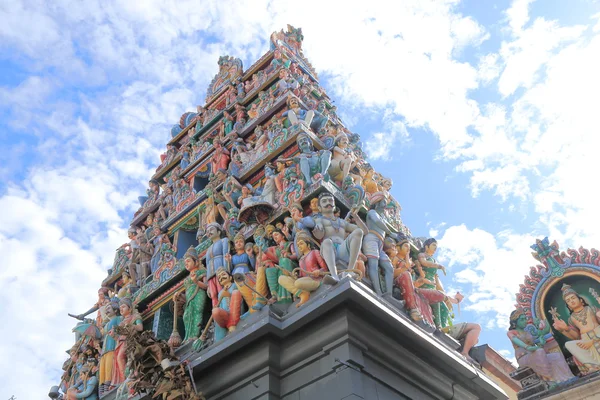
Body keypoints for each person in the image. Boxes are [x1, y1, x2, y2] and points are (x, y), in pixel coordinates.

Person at [509, 309, 574, 385]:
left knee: (556, 355)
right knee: (539, 351)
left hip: (534, 355)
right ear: (515, 322)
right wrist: (527, 347)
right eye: (522, 319)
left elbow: (535, 345)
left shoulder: (528, 333)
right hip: (523, 358)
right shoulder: (511, 333)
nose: (525, 321)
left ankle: (566, 378)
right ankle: (550, 381)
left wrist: (541, 343)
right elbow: (515, 339)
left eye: (525, 319)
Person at [553, 284, 600, 374]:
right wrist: (565, 329)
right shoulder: (571, 319)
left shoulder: (591, 308)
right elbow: (576, 336)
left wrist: (593, 340)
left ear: (581, 300)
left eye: (573, 298)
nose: (571, 301)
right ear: (568, 306)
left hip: (598, 335)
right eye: (568, 300)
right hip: (585, 341)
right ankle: (592, 366)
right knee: (569, 344)